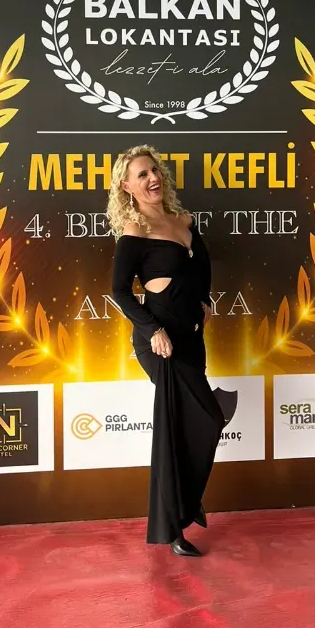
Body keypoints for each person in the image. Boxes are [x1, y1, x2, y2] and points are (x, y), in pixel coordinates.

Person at [109, 145, 225, 557]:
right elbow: (119, 291)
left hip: (191, 338)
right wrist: (152, 329)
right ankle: (176, 521)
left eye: (154, 170)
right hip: (162, 343)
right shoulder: (135, 230)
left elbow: (201, 268)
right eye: (141, 175)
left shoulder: (184, 220)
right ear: (127, 187)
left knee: (193, 426)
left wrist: (205, 299)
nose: (152, 178)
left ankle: (182, 507)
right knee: (205, 419)